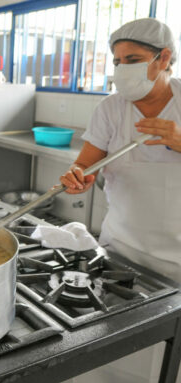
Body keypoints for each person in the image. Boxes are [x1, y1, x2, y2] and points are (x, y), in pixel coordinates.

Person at [60, 18, 181, 283]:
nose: (123, 68)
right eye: (118, 61)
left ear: (164, 58)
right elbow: (84, 165)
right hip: (120, 249)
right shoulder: (110, 108)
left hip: (177, 261)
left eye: (133, 59)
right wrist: (76, 177)